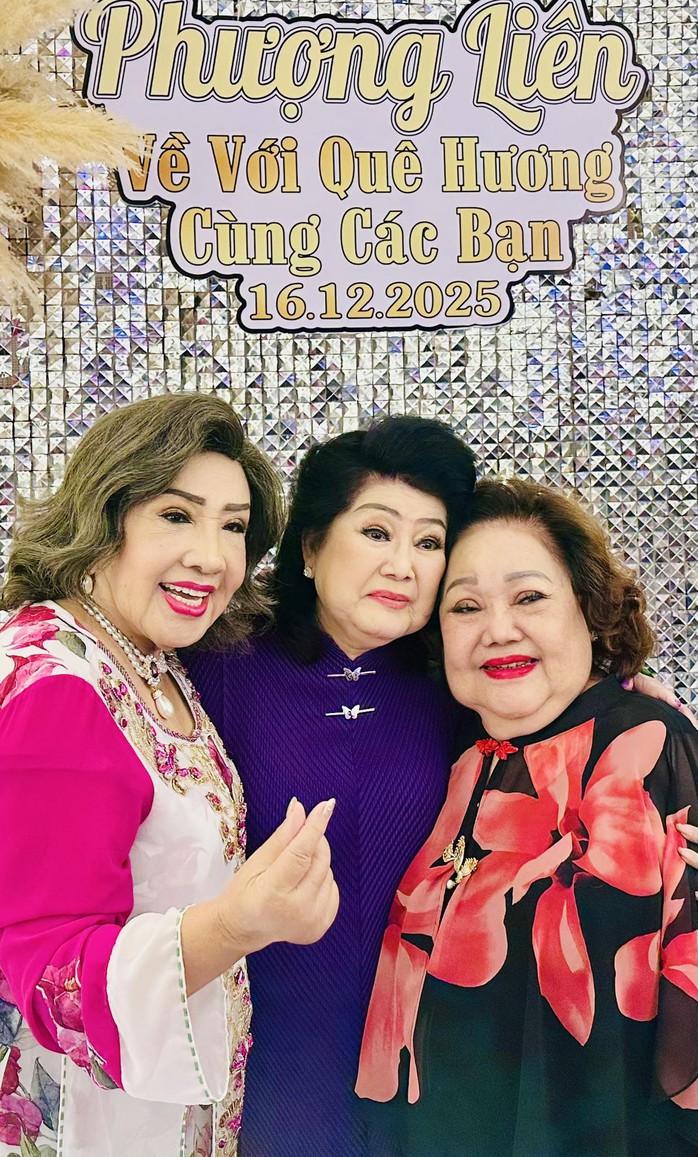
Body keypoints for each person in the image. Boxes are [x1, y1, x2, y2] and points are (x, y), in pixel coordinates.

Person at [186, 419, 698, 1157]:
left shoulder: (480, 700)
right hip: (264, 1068)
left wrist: (641, 709)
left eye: (428, 543)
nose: (401, 565)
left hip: (463, 1099)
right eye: (376, 532)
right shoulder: (213, 669)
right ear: (310, 546)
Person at [0, 394, 339, 1157]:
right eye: (177, 515)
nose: (213, 557)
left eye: (233, 526)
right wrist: (238, 924)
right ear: (103, 515)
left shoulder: (145, 657)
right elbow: (50, 981)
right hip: (89, 1128)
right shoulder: (59, 687)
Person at [356, 477, 698, 1157]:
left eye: (529, 597)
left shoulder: (652, 745)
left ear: (589, 609)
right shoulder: (454, 757)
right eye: (465, 606)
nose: (498, 629)